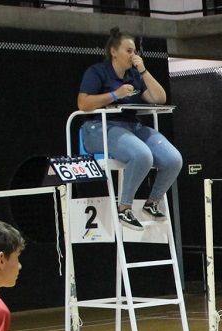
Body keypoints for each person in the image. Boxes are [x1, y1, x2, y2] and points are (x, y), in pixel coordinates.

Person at [76, 28, 182, 232]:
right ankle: (124, 207)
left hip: (131, 127)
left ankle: (152, 203)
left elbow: (159, 98)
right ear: (114, 52)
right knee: (142, 155)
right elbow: (83, 103)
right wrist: (115, 95)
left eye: (135, 51)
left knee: (173, 159)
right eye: (128, 51)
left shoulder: (134, 75)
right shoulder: (97, 71)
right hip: (100, 128)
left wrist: (143, 71)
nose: (133, 55)